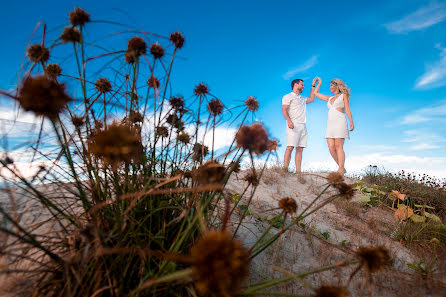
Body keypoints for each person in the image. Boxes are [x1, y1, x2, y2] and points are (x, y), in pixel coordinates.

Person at [313, 78, 354, 175]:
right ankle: (342, 167)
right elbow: (315, 93)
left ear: (337, 86)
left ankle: (340, 170)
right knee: (331, 147)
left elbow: (347, 109)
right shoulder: (329, 98)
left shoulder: (344, 95)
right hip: (330, 124)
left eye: (331, 85)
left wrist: (351, 121)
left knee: (338, 146)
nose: (329, 87)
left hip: (340, 121)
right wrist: (318, 83)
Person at [282, 78, 318, 181]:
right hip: (293, 124)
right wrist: (289, 121)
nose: (303, 86)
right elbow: (284, 110)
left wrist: (313, 86)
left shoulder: (302, 98)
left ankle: (298, 172)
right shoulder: (288, 96)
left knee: (300, 149)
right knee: (290, 147)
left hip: (303, 125)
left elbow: (312, 98)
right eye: (302, 84)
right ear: (296, 85)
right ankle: (285, 170)